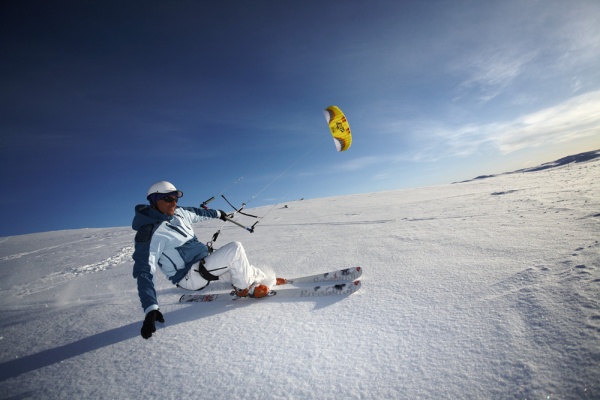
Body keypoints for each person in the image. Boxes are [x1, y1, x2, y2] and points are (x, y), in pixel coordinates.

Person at [132, 181, 284, 339]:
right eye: (168, 199)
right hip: (189, 276)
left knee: (242, 265)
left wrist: (219, 214)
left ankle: (265, 280)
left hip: (204, 263)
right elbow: (144, 270)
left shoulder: (179, 213)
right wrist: (151, 308)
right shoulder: (150, 233)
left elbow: (198, 213)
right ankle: (244, 288)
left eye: (175, 198)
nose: (174, 202)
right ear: (155, 200)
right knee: (235, 249)